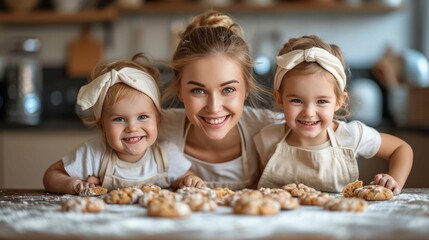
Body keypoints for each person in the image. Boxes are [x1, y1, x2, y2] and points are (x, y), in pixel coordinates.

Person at [254, 35, 413, 195]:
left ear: (339, 101)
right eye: (296, 100)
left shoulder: (350, 135)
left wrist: (394, 181)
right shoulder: (267, 139)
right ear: (279, 98)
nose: (309, 112)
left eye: (322, 101)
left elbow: (401, 148)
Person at [43, 53, 205, 195]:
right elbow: (51, 175)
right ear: (102, 126)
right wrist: (73, 185)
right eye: (119, 119)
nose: (132, 128)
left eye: (142, 117)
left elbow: (184, 178)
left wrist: (190, 181)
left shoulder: (167, 156)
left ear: (158, 119)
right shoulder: (93, 154)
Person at [159, 10, 283, 190]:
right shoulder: (156, 130)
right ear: (179, 90)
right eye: (198, 90)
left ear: (246, 88)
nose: (214, 107)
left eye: (228, 89)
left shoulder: (273, 130)